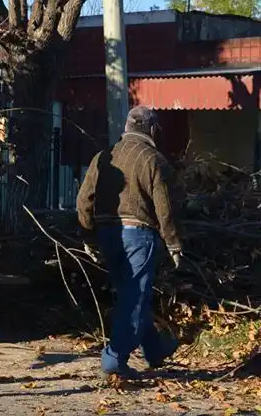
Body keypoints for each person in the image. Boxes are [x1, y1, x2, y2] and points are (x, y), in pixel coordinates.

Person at [76, 105, 184, 379]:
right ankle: (113, 359)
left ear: (127, 127)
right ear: (151, 129)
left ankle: (155, 350)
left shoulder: (104, 157)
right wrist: (173, 243)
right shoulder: (154, 159)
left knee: (129, 295)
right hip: (138, 235)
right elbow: (165, 207)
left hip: (107, 235)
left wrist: (88, 235)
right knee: (135, 299)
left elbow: (84, 198)